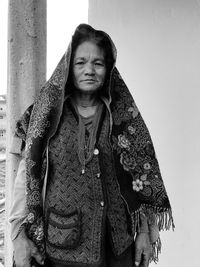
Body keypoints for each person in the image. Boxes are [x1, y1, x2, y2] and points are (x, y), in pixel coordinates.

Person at [9, 24, 174, 267]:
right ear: (68, 67)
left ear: (108, 69)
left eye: (98, 63)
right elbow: (27, 174)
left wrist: (144, 233)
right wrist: (17, 236)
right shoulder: (46, 116)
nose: (89, 70)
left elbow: (138, 178)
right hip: (63, 246)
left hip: (118, 246)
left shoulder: (122, 117)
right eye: (80, 63)